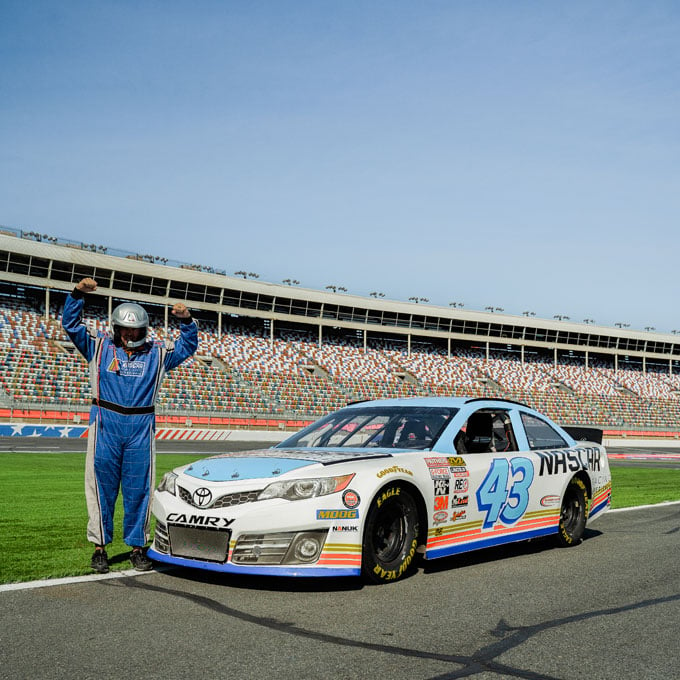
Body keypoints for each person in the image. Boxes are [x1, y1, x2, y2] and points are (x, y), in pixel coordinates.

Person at [62, 277, 198, 573]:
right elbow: (71, 325)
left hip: (141, 425)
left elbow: (188, 347)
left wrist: (186, 320)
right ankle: (100, 547)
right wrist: (77, 294)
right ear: (116, 328)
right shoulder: (98, 347)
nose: (129, 334)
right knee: (100, 488)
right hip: (105, 424)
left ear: (143, 330)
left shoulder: (158, 354)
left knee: (140, 489)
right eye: (124, 329)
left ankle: (138, 547)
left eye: (135, 329)